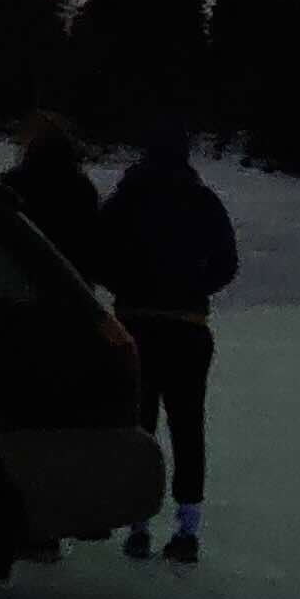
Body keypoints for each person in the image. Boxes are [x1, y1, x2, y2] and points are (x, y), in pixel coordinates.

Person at [92, 113, 238, 565]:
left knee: (140, 427)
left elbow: (97, 254)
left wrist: (127, 285)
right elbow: (227, 263)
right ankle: (187, 528)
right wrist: (193, 285)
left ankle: (138, 524)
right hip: (188, 326)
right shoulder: (203, 201)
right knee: (187, 426)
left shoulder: (126, 199)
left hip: (135, 323)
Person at [0, 109, 102, 281]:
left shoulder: (12, 186)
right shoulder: (82, 189)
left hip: (23, 281)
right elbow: (93, 243)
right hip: (72, 284)